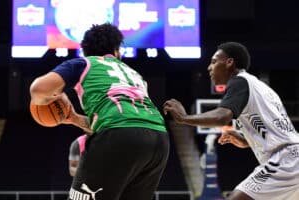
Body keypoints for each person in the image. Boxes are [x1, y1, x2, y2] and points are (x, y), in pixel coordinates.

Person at [30, 23, 169, 200]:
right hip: (159, 139)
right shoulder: (136, 75)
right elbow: (122, 121)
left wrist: (51, 101)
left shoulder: (83, 63)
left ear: (85, 51)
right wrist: (72, 117)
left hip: (119, 135)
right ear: (117, 51)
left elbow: (38, 90)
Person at [163, 42, 299, 200]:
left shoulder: (240, 81)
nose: (209, 67)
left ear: (229, 62)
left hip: (287, 160)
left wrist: (184, 118)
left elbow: (222, 117)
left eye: (214, 62)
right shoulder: (261, 88)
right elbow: (276, 133)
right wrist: (245, 139)